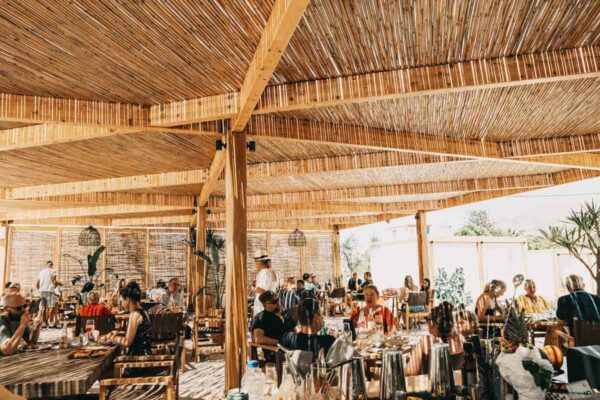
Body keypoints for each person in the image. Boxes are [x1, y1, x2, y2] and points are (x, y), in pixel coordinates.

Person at [405, 301, 465, 376]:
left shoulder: (426, 341)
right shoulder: (461, 339)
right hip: (455, 384)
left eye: (428, 321)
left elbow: (410, 372)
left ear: (432, 323)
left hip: (430, 385)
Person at [99, 281, 151, 356]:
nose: (122, 304)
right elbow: (138, 335)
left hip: (136, 361)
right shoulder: (144, 311)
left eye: (122, 301)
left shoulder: (135, 315)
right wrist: (119, 333)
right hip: (144, 357)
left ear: (127, 299)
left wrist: (109, 337)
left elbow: (126, 342)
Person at [251, 291, 292, 363]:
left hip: (291, 350)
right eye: (274, 302)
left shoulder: (284, 314)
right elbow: (258, 339)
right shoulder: (261, 318)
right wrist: (280, 342)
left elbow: (294, 329)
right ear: (265, 305)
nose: (278, 303)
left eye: (278, 299)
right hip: (276, 353)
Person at [36, 261, 59, 328]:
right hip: (50, 290)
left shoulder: (41, 272)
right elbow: (54, 282)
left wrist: (40, 289)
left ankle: (44, 323)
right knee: (51, 307)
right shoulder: (53, 271)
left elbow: (37, 283)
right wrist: (57, 283)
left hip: (42, 291)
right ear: (51, 265)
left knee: (43, 307)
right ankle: (50, 322)